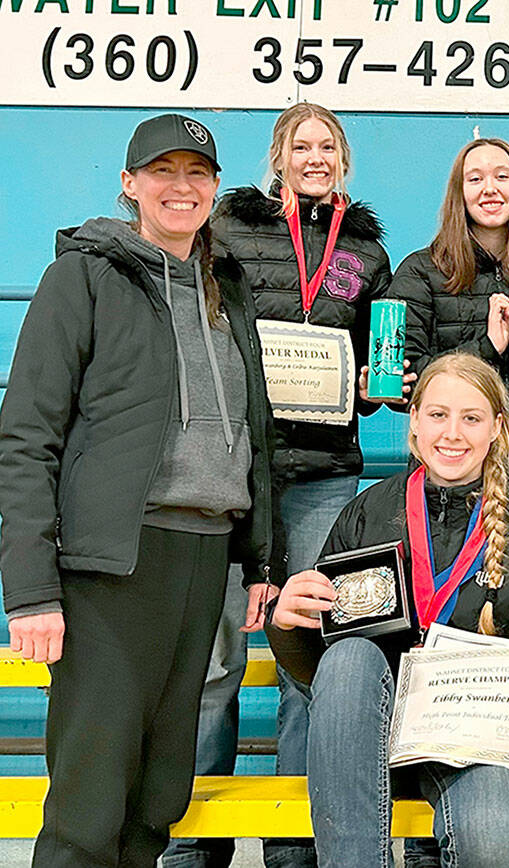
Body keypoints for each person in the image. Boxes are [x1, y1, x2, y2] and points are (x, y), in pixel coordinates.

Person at [0, 113, 280, 867]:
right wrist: (30, 591)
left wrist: (258, 563)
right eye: (162, 171)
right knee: (89, 804)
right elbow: (25, 437)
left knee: (158, 799)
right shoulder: (83, 277)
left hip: (203, 558)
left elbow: (254, 432)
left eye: (196, 173)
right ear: (130, 185)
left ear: (216, 189)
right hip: (112, 565)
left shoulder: (228, 289)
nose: (180, 186)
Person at [164, 100, 394, 868]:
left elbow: (378, 359)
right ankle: (195, 841)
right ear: (279, 155)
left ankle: (295, 843)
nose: (316, 157)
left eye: (328, 146)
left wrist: (372, 382)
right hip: (235, 468)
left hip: (326, 473)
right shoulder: (228, 228)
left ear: (344, 159)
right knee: (212, 655)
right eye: (303, 145)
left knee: (311, 653)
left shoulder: (365, 249)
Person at [265, 352, 509, 867]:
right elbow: (318, 672)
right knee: (350, 658)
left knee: (494, 839)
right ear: (414, 422)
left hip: (475, 739)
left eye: (471, 418)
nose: (453, 433)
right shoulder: (368, 511)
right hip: (371, 734)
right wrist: (288, 623)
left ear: (497, 428)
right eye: (437, 415)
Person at [389, 137, 509, 513]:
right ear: (459, 194)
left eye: (502, 176)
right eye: (475, 179)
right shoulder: (420, 272)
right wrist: (487, 348)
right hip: (447, 473)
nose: (490, 188)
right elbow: (401, 383)